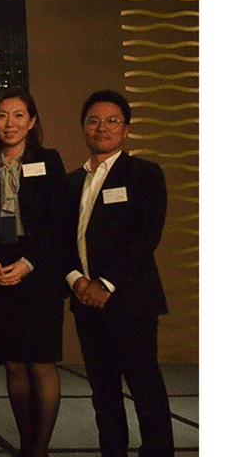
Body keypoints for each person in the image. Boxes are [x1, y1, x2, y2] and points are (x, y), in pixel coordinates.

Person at [66, 90, 174, 457]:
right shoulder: (70, 181)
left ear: (126, 130)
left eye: (112, 121)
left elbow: (147, 236)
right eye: (93, 121)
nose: (102, 128)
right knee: (103, 390)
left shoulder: (144, 174)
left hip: (131, 301)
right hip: (86, 302)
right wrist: (77, 281)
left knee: (145, 388)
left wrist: (106, 283)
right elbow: (61, 240)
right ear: (84, 127)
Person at [0, 88, 68, 457]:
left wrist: (29, 263)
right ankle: (25, 442)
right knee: (13, 363)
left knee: (41, 362)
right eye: (3, 115)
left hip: (40, 268)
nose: (10, 123)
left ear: (32, 122)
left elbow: (58, 224)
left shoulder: (48, 160)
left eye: (19, 115)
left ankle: (40, 449)